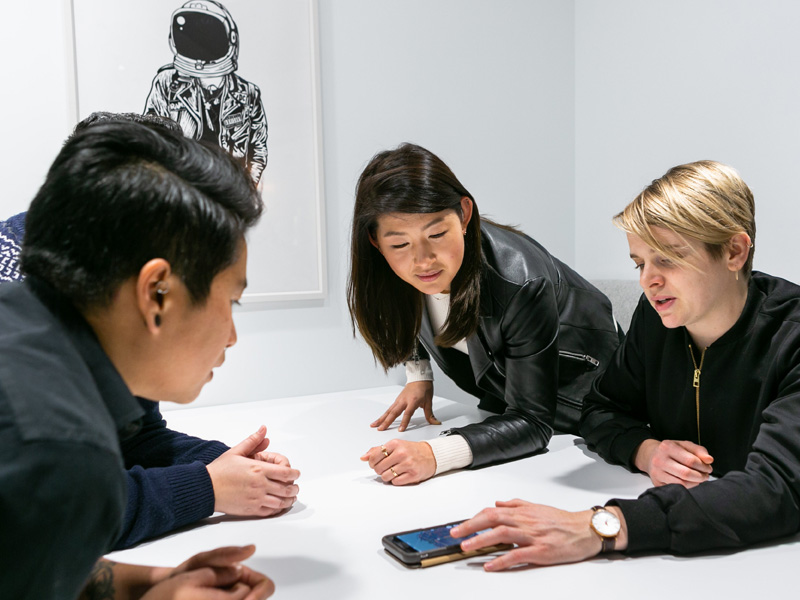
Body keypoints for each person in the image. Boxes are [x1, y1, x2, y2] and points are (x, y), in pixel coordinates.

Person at [450, 160, 800, 570]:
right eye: (640, 263)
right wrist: (645, 451)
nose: (647, 281)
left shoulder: (791, 337)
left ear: (734, 251)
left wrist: (603, 526)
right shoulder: (659, 318)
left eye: (668, 258)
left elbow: (776, 489)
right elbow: (600, 408)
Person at [0, 112, 299, 551]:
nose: (232, 336)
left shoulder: (71, 323)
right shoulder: (36, 420)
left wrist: (224, 464)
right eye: (231, 301)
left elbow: (134, 438)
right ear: (156, 294)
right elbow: (65, 508)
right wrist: (205, 486)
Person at [350, 143, 620, 485]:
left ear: (464, 214)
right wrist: (418, 374)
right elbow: (407, 308)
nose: (423, 260)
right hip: (508, 404)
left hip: (585, 409)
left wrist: (435, 454)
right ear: (375, 241)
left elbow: (534, 422)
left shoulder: (521, 282)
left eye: (437, 234)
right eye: (400, 244)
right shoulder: (396, 270)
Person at [144, 0, 268, 186]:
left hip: (228, 188)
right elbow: (152, 139)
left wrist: (246, 190)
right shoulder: (168, 83)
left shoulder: (248, 94)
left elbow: (257, 150)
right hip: (184, 187)